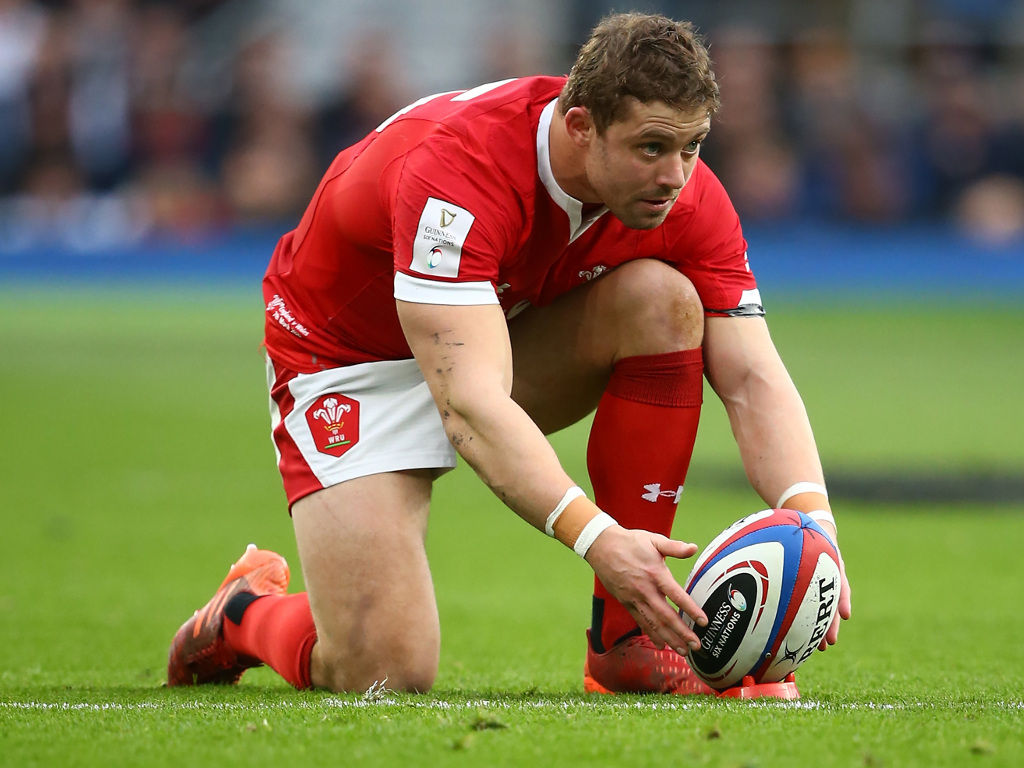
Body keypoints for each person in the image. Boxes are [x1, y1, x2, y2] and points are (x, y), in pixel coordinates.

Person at [167, 12, 851, 696]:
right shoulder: (459, 173)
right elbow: (470, 405)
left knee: (663, 303)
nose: (676, 176)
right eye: (650, 148)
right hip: (348, 361)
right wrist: (599, 538)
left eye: (693, 146)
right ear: (580, 126)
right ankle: (242, 615)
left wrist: (816, 526)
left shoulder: (684, 195)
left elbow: (753, 377)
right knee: (383, 671)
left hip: (485, 340)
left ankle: (625, 640)